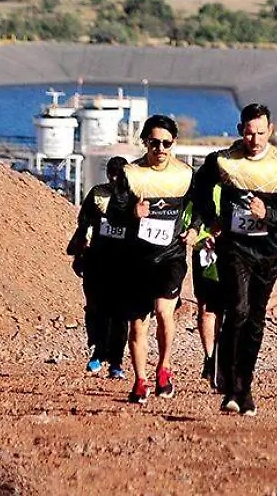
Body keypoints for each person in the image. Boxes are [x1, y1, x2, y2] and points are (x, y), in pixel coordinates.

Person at [193, 103, 277, 416]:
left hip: (267, 253)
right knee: (236, 310)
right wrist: (211, 219)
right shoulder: (224, 161)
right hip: (234, 249)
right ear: (241, 129)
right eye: (249, 132)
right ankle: (230, 383)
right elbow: (200, 189)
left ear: (271, 130)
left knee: (255, 320)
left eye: (261, 132)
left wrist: (267, 213)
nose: (255, 139)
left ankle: (244, 384)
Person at [106, 115, 196, 405]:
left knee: (163, 311)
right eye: (154, 142)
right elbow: (113, 212)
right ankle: (140, 380)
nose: (160, 148)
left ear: (174, 144)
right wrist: (132, 213)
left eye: (166, 143)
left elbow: (203, 207)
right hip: (136, 259)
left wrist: (194, 229)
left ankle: (164, 368)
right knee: (137, 325)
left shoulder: (185, 174)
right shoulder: (131, 174)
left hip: (170, 256)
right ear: (144, 142)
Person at [67, 156, 131, 380]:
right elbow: (83, 223)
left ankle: (116, 362)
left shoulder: (134, 198)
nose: (115, 178)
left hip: (125, 264)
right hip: (97, 260)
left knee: (120, 314)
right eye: (112, 173)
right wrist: (78, 253)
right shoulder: (97, 194)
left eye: (120, 173)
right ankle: (97, 350)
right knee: (96, 309)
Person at [191, 227, 221, 385]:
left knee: (229, 310)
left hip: (235, 248)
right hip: (204, 248)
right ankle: (210, 360)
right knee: (206, 309)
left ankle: (221, 358)